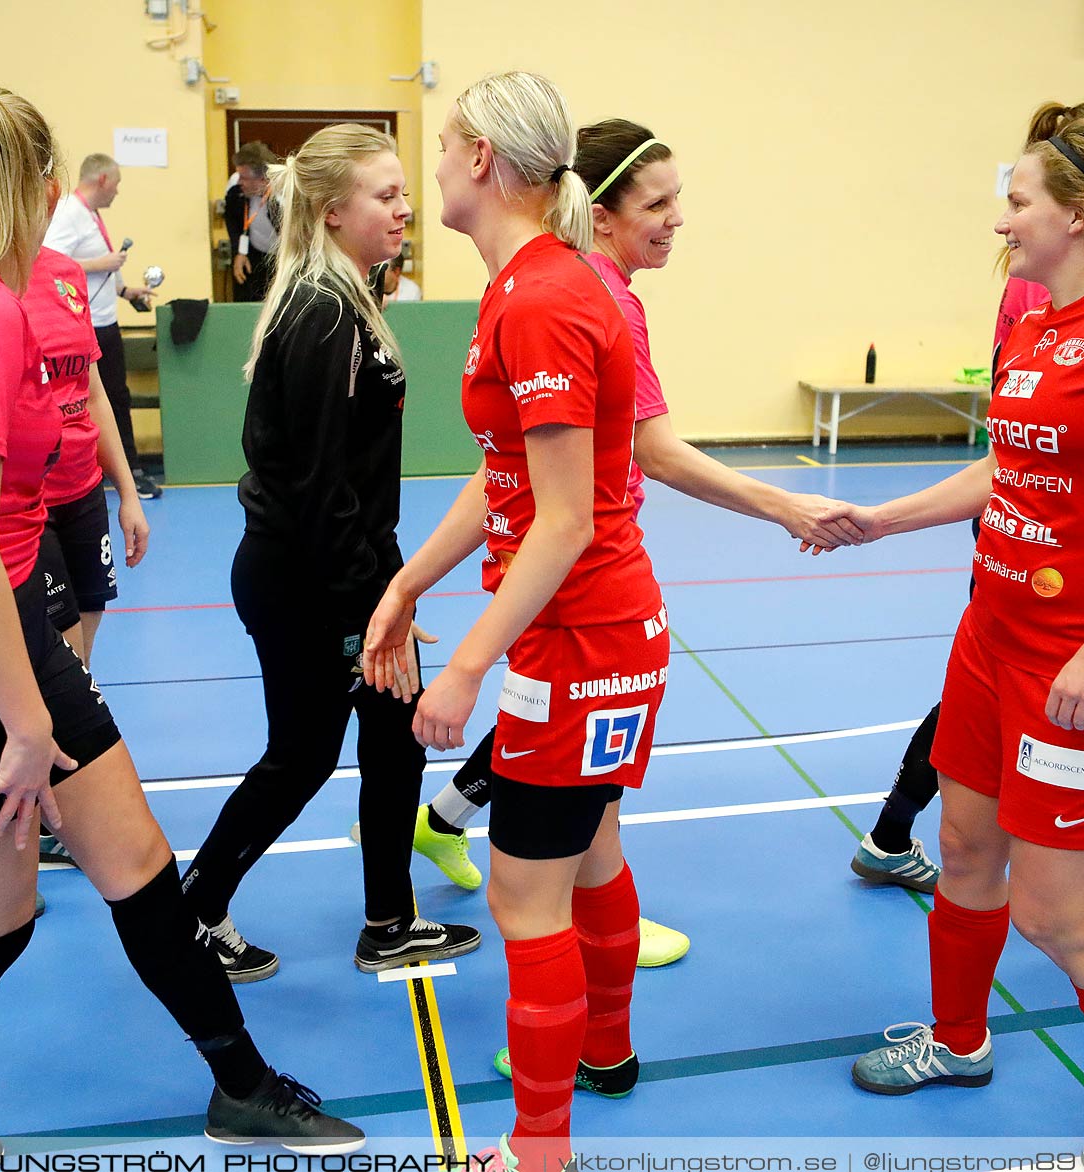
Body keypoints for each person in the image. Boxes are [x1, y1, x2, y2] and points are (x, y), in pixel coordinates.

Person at [0, 86, 361, 1171]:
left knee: (138, 861)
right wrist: (19, 724)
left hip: (1, 634)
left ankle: (241, 1086)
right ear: (38, 185)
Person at [836, 114, 1084, 1172]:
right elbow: (1004, 468)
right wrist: (884, 517)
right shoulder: (1038, 322)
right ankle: (959, 1040)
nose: (1002, 219)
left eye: (1018, 202)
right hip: (991, 638)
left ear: (1080, 212)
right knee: (964, 850)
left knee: (1058, 910)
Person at [394, 119, 860, 975]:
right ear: (600, 216)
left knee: (580, 797)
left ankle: (566, 950)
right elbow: (645, 455)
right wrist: (781, 505)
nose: (678, 216)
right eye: (659, 201)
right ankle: (581, 989)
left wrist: (409, 588)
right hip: (585, 597)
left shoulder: (554, 290)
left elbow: (522, 472)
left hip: (585, 597)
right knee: (564, 818)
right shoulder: (581, 299)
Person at [361, 72, 665, 1172]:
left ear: (481, 157)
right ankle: (608, 1053)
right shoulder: (528, 287)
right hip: (599, 639)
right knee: (585, 854)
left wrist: (467, 667)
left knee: (522, 892)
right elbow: (508, 484)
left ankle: (539, 1149)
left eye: (441, 146)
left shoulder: (542, 297)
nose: (432, 168)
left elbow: (567, 519)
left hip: (580, 642)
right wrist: (407, 585)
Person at [177, 124, 480, 984]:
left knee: (395, 738)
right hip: (305, 579)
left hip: (343, 566)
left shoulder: (348, 295)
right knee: (304, 754)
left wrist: (392, 590)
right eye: (385, 196)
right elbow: (314, 488)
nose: (403, 209)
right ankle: (193, 907)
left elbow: (341, 479)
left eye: (403, 194)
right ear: (331, 209)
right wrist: (373, 604)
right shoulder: (320, 312)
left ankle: (389, 919)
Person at [26, 244, 150, 667]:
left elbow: (92, 392)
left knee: (83, 645)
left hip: (84, 490)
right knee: (63, 658)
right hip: (27, 501)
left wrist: (127, 494)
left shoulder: (65, 273)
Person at [43, 153, 161, 500]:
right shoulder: (68, 212)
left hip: (107, 321)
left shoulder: (90, 215)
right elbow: (50, 261)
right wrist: (101, 263)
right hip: (86, 326)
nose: (118, 192)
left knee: (117, 398)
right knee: (100, 401)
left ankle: (126, 470)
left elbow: (97, 270)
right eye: (118, 184)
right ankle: (120, 473)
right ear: (103, 180)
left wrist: (125, 290)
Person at [225, 141, 279, 302]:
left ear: (263, 180)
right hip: (254, 254)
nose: (239, 181)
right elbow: (232, 220)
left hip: (281, 255)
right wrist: (239, 252)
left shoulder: (283, 195)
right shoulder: (236, 187)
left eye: (244, 177)